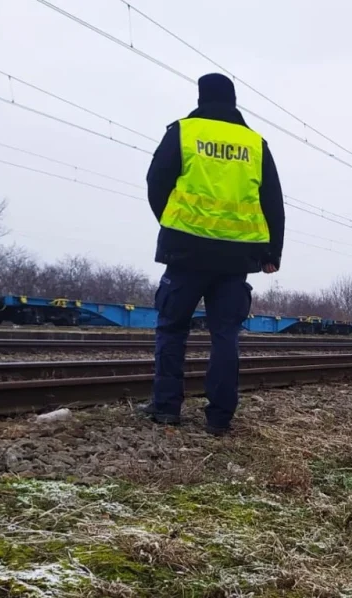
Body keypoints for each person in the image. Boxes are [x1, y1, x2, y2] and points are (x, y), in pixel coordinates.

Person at [139, 73, 285, 436]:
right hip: (236, 259)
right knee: (225, 336)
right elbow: (274, 203)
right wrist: (272, 253)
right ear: (233, 101)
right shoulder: (254, 143)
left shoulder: (184, 132)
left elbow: (156, 181)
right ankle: (220, 417)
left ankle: (166, 407)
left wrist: (172, 223)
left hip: (186, 251)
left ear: (202, 98)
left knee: (172, 329)